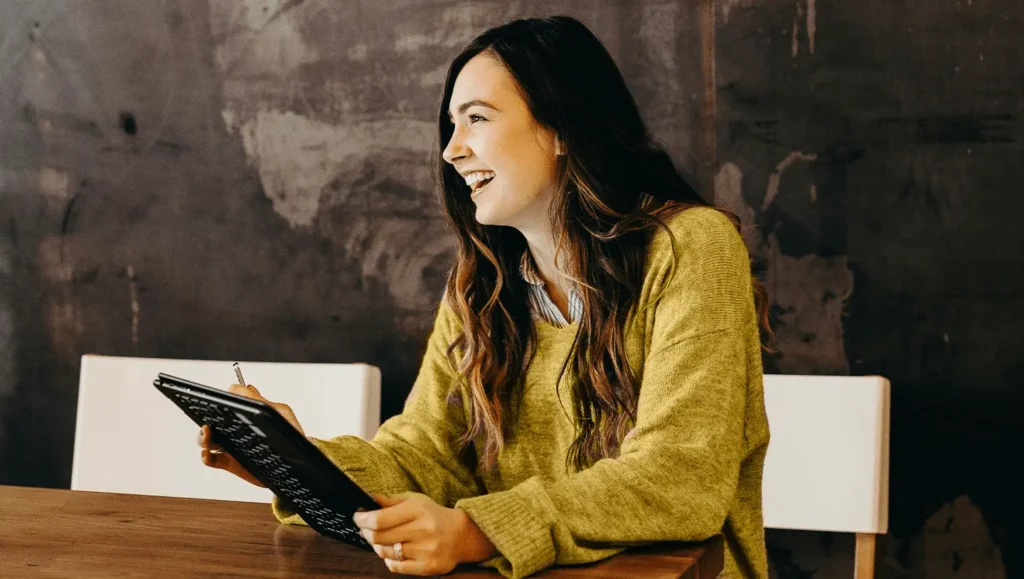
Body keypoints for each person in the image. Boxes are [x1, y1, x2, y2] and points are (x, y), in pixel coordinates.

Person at [198, 15, 771, 579]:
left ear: (562, 128)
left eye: (477, 118)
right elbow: (424, 456)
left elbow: (680, 478)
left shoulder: (690, 247)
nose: (452, 151)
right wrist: (297, 463)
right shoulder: (482, 286)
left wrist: (478, 533)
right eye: (452, 125)